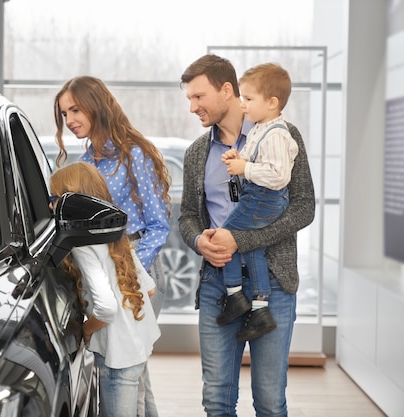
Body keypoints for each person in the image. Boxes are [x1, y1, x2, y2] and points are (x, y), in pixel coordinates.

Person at [178, 54, 315, 417]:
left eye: (198, 97)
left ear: (227, 91)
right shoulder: (196, 154)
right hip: (216, 285)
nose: (192, 107)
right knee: (216, 400)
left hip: (274, 283)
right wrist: (198, 242)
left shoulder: (281, 136)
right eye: (189, 98)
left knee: (270, 401)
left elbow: (304, 208)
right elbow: (188, 218)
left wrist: (242, 240)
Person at [54, 75, 171, 417]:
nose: (70, 120)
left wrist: (128, 271)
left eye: (75, 109)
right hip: (113, 269)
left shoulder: (133, 154)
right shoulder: (86, 160)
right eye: (64, 114)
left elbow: (158, 226)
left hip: (136, 270)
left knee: (128, 368)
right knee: (135, 374)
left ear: (97, 105)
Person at [49, 161, 161, 417]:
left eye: (54, 199)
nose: (50, 206)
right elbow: (150, 290)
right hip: (139, 346)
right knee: (145, 408)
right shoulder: (116, 235)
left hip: (117, 356)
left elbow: (107, 309)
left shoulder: (81, 246)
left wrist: (85, 331)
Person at [216, 63, 299, 342]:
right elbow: (256, 159)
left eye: (249, 99)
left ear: (272, 103)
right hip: (261, 198)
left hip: (265, 199)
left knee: (224, 236)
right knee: (252, 247)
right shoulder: (263, 128)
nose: (242, 104)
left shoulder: (276, 133)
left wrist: (244, 169)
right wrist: (237, 159)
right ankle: (260, 308)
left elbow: (278, 175)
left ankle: (234, 294)